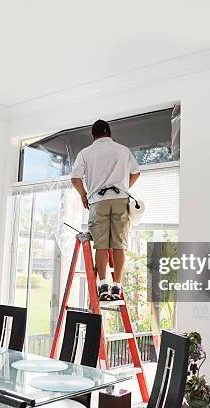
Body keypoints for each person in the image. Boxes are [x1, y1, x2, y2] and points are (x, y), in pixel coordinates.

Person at [71, 119, 140, 301]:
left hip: (98, 201)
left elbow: (75, 178)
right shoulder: (123, 150)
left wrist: (83, 195)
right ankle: (117, 286)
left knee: (101, 245)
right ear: (110, 133)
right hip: (120, 200)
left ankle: (102, 286)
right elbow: (136, 172)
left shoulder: (86, 152)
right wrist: (125, 188)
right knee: (119, 245)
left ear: (93, 136)